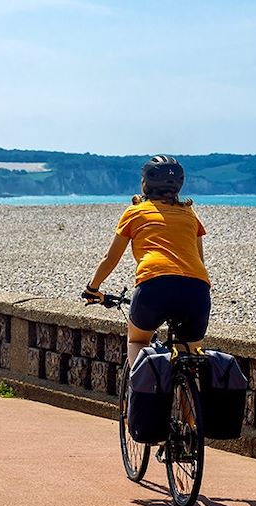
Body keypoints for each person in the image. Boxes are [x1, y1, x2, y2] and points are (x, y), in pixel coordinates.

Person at [83, 154, 211, 367]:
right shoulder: (190, 214)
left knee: (138, 340)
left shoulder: (135, 212)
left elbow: (110, 258)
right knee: (190, 357)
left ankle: (138, 393)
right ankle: (190, 397)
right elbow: (199, 260)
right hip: (196, 289)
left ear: (146, 183)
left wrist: (93, 288)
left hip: (154, 285)